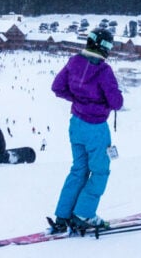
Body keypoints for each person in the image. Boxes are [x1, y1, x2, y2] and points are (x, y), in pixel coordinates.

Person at [48, 28, 123, 232]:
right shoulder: (103, 71)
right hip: (96, 128)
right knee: (100, 171)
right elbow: (116, 102)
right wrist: (99, 103)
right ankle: (84, 213)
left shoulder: (74, 62)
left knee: (78, 169)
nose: (109, 50)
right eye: (108, 46)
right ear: (101, 46)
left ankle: (63, 215)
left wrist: (78, 100)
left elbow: (57, 87)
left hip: (77, 123)